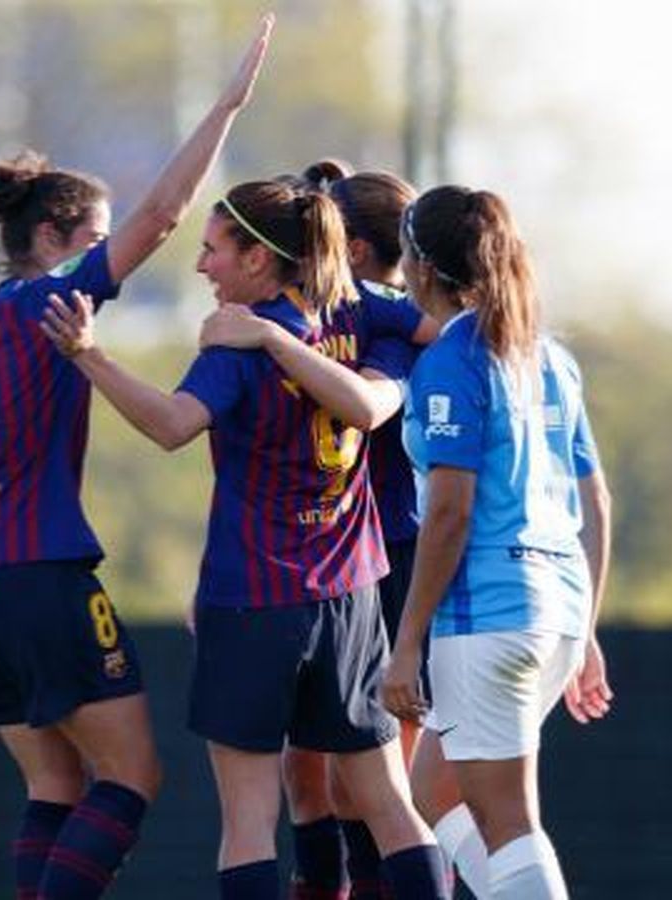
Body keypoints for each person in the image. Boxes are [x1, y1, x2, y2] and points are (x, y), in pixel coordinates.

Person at [0, 17, 272, 899]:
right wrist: (225, 106)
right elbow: (164, 215)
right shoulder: (52, 303)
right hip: (38, 571)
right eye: (96, 238)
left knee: (54, 784)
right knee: (132, 775)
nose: (110, 259)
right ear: (56, 238)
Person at [40, 176, 449, 900]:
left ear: (259, 259)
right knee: (389, 804)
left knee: (250, 821)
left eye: (213, 249)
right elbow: (444, 333)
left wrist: (88, 354)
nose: (203, 265)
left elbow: (172, 425)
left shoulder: (239, 338)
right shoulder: (362, 309)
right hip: (350, 595)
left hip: (253, 596)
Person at [200, 159, 433, 900]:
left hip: (379, 561)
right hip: (310, 566)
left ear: (349, 247)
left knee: (376, 787)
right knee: (312, 780)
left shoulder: (374, 316)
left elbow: (370, 404)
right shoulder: (306, 318)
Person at [379, 185, 615, 900]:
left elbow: (450, 511)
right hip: (555, 610)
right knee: (434, 788)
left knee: (510, 822)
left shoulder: (452, 359)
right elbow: (596, 501)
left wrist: (407, 641)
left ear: (423, 266)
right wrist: (585, 628)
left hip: (489, 614)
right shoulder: (549, 357)